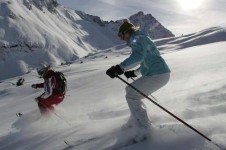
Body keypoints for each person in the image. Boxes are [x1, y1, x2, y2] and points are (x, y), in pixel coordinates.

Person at [106, 19, 171, 142]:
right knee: (130, 90)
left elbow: (139, 57)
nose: (121, 38)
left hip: (158, 74)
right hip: (156, 73)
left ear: (127, 32)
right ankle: (135, 121)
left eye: (121, 35)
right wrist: (134, 72)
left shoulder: (138, 39)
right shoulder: (141, 38)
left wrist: (120, 68)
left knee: (132, 95)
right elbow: (147, 60)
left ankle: (145, 130)